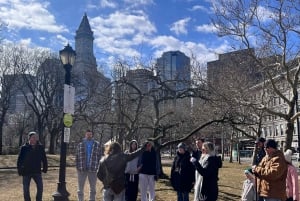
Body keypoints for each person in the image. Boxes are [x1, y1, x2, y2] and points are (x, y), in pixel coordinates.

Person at [17, 131, 48, 201]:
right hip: (26, 172)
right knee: (26, 189)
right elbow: (20, 160)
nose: (35, 139)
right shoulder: (24, 148)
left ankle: (38, 199)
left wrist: (45, 168)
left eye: (36, 137)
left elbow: (44, 158)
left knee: (40, 187)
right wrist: (19, 170)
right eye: (33, 137)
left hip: (37, 171)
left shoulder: (40, 147)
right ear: (29, 138)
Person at [76, 130, 102, 201]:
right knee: (80, 188)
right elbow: (77, 156)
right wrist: (77, 167)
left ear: (92, 135)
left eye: (90, 134)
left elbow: (100, 156)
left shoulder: (97, 144)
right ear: (85, 135)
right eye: (87, 134)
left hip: (93, 169)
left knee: (93, 188)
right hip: (82, 169)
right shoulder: (80, 144)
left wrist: (97, 166)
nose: (89, 136)